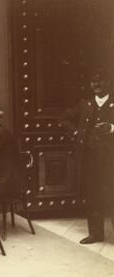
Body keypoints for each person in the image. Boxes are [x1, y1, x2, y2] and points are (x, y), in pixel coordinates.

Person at [60, 69, 114, 244]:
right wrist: (76, 132)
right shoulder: (85, 104)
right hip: (90, 160)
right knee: (92, 195)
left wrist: (111, 128)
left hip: (110, 160)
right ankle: (96, 234)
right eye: (93, 82)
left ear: (108, 83)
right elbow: (63, 119)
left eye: (100, 81)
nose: (96, 85)